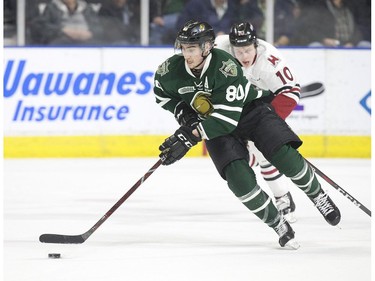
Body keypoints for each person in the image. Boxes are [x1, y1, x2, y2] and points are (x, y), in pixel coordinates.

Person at [153, 20, 341, 249]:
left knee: (284, 155)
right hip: (212, 124)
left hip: (249, 111)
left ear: (206, 48)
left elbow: (227, 118)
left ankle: (317, 195)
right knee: (239, 181)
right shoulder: (169, 70)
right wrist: (185, 115)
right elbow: (163, 96)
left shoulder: (226, 66)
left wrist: (191, 134)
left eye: (191, 49)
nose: (186, 54)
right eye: (183, 48)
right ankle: (277, 223)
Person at [215, 22, 300, 222]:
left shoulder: (270, 60)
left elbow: (290, 93)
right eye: (239, 51)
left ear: (256, 44)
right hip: (237, 101)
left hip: (264, 102)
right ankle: (253, 161)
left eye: (247, 50)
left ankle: (283, 197)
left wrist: (268, 122)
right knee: (242, 155)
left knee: (263, 151)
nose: (244, 56)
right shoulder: (220, 49)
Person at [29, 0, 104, 45]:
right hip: (62, 41)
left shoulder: (87, 8)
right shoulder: (51, 8)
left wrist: (90, 33)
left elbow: (99, 28)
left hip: (87, 42)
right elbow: (42, 28)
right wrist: (63, 31)